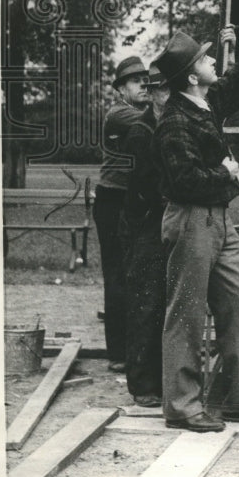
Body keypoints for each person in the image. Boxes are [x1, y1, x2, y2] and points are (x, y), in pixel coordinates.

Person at [153, 2, 239, 432]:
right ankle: (182, 407)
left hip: (218, 220)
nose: (215, 60)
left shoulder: (206, 102)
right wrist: (226, 173)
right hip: (192, 219)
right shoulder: (174, 121)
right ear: (193, 76)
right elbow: (184, 180)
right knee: (187, 314)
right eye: (206, 58)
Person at [120, 63, 172, 407]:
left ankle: (164, 377)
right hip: (148, 223)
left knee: (167, 301)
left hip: (165, 218)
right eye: (165, 91)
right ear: (152, 95)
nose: (171, 97)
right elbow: (146, 187)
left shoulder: (171, 124)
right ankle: (142, 384)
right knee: (147, 301)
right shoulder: (141, 131)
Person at [96, 55, 150, 372]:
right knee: (117, 275)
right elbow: (156, 124)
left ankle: (134, 349)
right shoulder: (121, 115)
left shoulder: (142, 114)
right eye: (135, 80)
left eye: (146, 79)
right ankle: (118, 353)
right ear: (120, 89)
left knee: (137, 275)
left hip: (133, 200)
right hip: (112, 201)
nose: (144, 84)